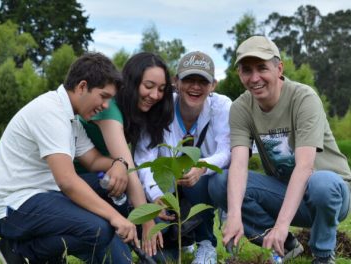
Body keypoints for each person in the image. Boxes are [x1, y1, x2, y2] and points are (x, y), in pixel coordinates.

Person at [0, 52, 139, 264]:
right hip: (10, 208)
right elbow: (67, 181)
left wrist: (119, 164)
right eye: (103, 96)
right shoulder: (50, 112)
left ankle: (56, 253)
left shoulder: (71, 119)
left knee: (109, 183)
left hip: (41, 195)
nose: (105, 105)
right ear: (82, 87)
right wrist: (115, 217)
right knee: (98, 229)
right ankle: (24, 252)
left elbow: (92, 161)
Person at [209, 36, 351, 264]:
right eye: (247, 70)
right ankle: (285, 246)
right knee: (220, 182)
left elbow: (305, 167)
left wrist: (281, 224)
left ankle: (323, 256)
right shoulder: (241, 108)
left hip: (330, 194)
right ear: (239, 74)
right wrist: (234, 215)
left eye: (262, 68)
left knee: (321, 183)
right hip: (285, 192)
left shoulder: (303, 98)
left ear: (279, 68)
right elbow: (238, 164)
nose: (254, 78)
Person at [135, 51, 232, 264]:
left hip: (200, 184)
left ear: (213, 85)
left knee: (202, 180)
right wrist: (155, 195)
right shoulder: (160, 107)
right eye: (188, 79)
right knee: (162, 258)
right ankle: (182, 238)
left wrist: (202, 166)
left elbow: (226, 151)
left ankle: (206, 244)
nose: (195, 87)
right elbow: (144, 157)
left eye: (202, 81)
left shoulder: (222, 106)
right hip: (165, 187)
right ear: (176, 82)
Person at [75, 52, 174, 256]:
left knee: (160, 235)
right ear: (131, 81)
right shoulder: (109, 108)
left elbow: (136, 164)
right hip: (82, 183)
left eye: (161, 90)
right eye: (148, 86)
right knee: (125, 253)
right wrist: (146, 220)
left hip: (109, 181)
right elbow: (129, 169)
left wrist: (153, 205)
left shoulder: (138, 114)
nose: (155, 95)